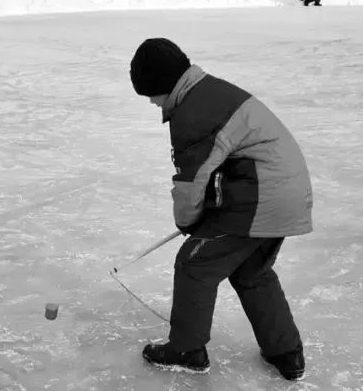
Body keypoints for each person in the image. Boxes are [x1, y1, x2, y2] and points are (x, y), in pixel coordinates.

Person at [129, 38, 312, 381]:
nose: (153, 103)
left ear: (162, 84)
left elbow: (190, 186)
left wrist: (189, 223)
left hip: (262, 197)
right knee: (251, 271)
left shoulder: (193, 113)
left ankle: (186, 350)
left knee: (195, 262)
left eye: (151, 94)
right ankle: (286, 353)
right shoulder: (209, 91)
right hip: (285, 193)